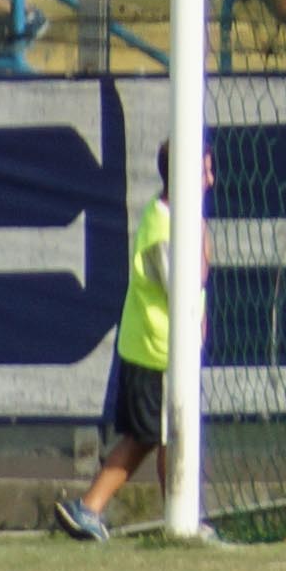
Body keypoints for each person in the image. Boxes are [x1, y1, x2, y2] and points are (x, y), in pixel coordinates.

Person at [55, 141, 193, 541]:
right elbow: (183, 287)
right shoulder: (162, 229)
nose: (210, 179)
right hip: (154, 349)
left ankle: (99, 509)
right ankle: (167, 520)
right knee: (156, 436)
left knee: (158, 436)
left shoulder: (173, 217)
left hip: (161, 349)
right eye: (203, 171)